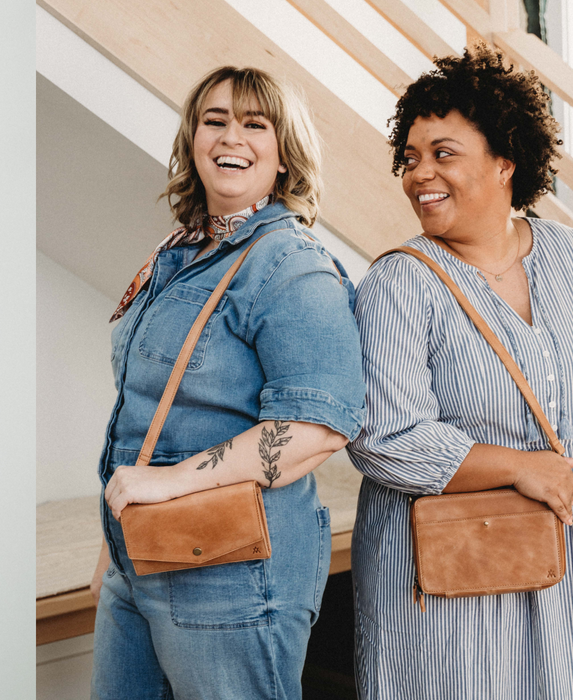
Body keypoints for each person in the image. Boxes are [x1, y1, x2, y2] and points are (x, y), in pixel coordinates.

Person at [347, 44, 573, 698]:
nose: (421, 175)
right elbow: (385, 439)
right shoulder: (398, 285)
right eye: (410, 159)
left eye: (444, 154)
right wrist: (521, 468)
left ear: (505, 162)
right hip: (464, 576)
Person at [89, 66, 365, 700]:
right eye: (214, 121)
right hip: (139, 559)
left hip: (232, 576)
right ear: (192, 140)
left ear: (283, 155)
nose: (230, 136)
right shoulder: (177, 253)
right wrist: (115, 546)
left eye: (254, 124)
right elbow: (146, 413)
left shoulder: (290, 263)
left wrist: (166, 482)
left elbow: (317, 427)